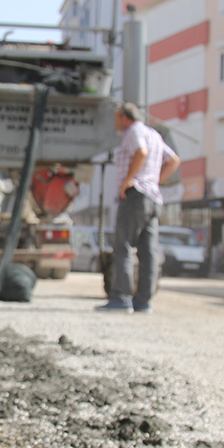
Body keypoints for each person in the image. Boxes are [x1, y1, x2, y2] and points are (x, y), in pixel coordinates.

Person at [97, 102, 180, 314]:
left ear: (125, 118)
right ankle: (144, 301)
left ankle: (121, 298)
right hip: (153, 198)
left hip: (135, 196)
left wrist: (129, 180)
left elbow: (140, 152)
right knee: (148, 252)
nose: (115, 122)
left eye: (116, 118)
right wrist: (155, 181)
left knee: (123, 246)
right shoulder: (154, 134)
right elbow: (174, 161)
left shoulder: (133, 132)